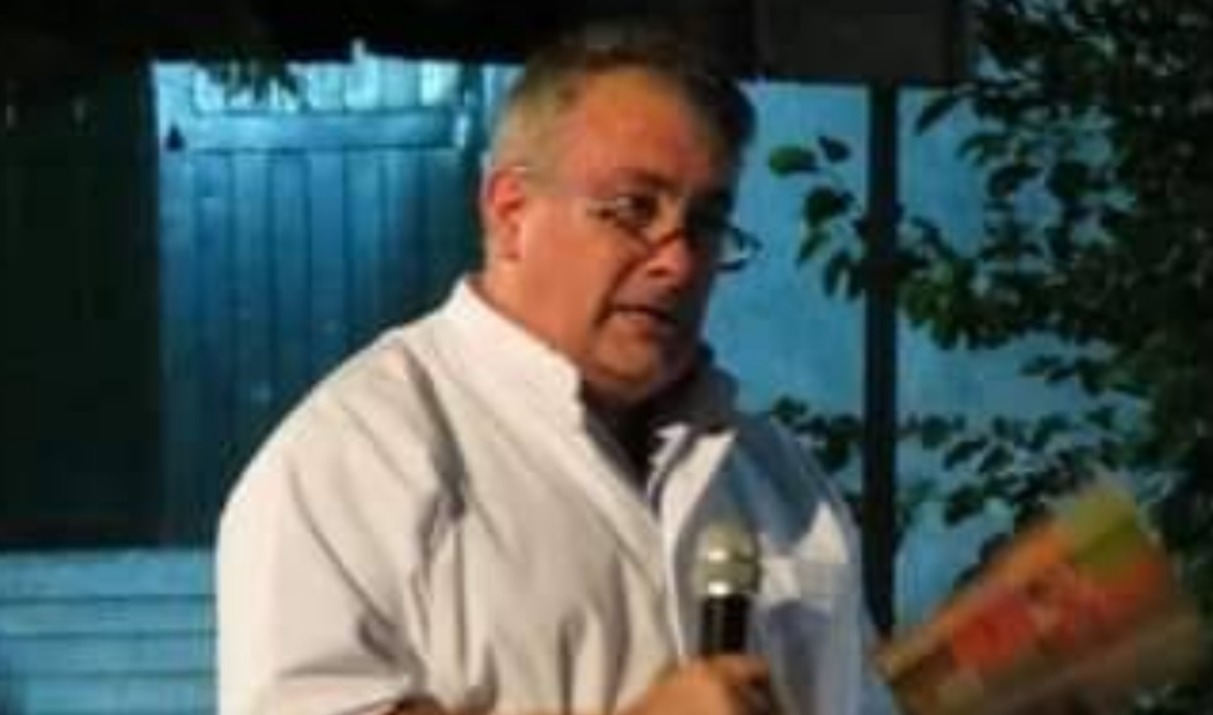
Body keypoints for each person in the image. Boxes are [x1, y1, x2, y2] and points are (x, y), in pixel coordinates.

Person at [216, 19, 898, 715]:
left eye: (705, 222)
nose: (678, 261)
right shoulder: (354, 459)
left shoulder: (776, 476)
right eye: (633, 209)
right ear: (511, 212)